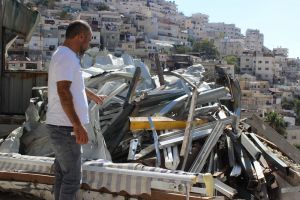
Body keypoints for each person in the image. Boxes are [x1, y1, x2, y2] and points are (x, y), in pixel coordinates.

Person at [46, 20, 105, 200]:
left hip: (61, 126)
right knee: (72, 179)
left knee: (63, 176)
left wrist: (91, 95)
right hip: (65, 128)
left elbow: (70, 85)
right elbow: (63, 91)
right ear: (80, 36)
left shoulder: (65, 55)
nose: (88, 44)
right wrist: (77, 125)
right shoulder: (66, 57)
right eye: (88, 39)